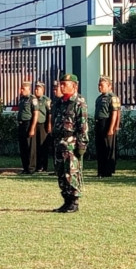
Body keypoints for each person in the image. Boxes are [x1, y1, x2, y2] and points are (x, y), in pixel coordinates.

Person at [51, 74, 88, 213]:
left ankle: (74, 202)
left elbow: (83, 126)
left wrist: (82, 144)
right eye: (61, 84)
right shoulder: (60, 102)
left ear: (74, 86)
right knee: (60, 172)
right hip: (59, 141)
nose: (61, 86)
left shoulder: (79, 102)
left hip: (71, 142)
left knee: (71, 172)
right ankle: (66, 200)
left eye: (64, 84)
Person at [93, 76, 121, 177]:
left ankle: (108, 170)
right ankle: (101, 170)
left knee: (108, 148)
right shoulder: (99, 98)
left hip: (107, 123)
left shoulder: (112, 97)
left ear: (109, 86)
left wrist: (112, 128)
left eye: (102, 85)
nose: (100, 87)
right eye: (99, 85)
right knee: (100, 147)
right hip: (99, 123)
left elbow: (115, 113)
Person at [16, 81, 38, 174]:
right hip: (21, 124)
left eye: (23, 89)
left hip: (29, 123)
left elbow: (36, 114)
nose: (21, 91)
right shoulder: (22, 99)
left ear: (28, 89)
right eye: (21, 89)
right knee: (23, 146)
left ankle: (31, 168)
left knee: (30, 147)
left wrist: (32, 128)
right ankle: (25, 167)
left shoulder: (32, 99)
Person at [34, 82, 52, 172]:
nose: (36, 90)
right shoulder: (33, 100)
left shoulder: (46, 100)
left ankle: (44, 166)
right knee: (35, 146)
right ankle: (37, 165)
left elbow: (49, 114)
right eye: (36, 88)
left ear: (43, 90)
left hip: (42, 125)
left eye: (38, 89)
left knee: (43, 146)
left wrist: (49, 125)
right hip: (34, 125)